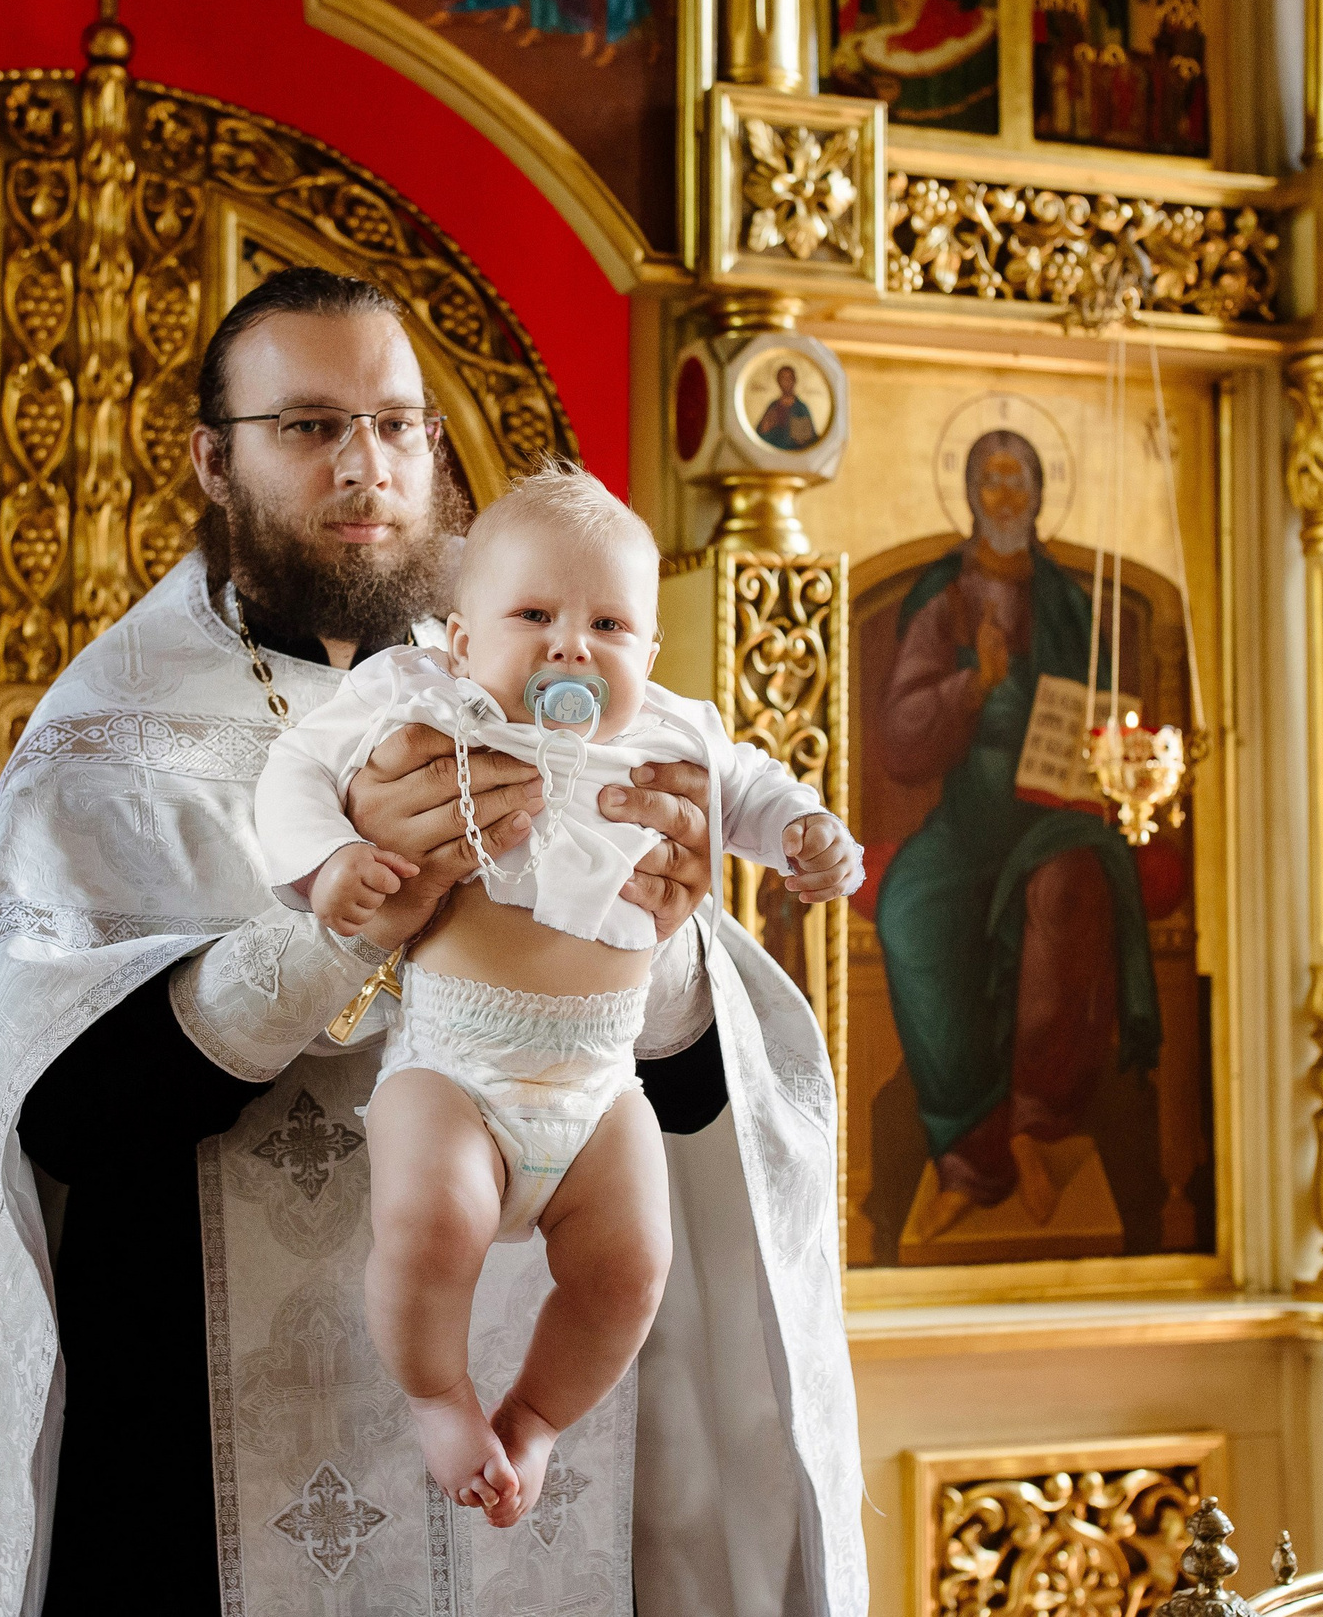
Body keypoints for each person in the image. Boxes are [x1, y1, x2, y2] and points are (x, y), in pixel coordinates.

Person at [0, 267, 863, 1616]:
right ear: (212, 460)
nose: (370, 465)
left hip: (542, 1483)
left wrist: (666, 924)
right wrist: (339, 930)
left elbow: (699, 1105)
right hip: (202, 1455)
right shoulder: (111, 739)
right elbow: (53, 1114)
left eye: (401, 424)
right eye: (310, 425)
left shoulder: (573, 690)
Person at [257, 468, 860, 1525]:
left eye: (609, 624)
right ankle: (440, 1396)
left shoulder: (670, 734)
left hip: (598, 1082)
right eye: (532, 615)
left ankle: (532, 1422)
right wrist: (328, 863)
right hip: (455, 1066)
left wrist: (804, 832)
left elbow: (753, 786)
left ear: (651, 656)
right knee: (430, 1221)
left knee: (631, 1271)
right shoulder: (424, 705)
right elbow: (295, 767)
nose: (571, 647)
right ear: (458, 638)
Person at [871, 429, 1160, 1247]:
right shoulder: (944, 596)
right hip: (970, 821)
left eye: (1019, 480)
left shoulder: (1070, 601)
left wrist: (1116, 751)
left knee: (1069, 889)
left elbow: (1114, 714)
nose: (1004, 496)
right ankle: (973, 1154)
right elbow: (897, 736)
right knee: (910, 911)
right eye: (989, 480)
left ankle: (1039, 1127)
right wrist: (971, 685)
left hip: (1061, 816)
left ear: (1038, 493)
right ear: (969, 492)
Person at [754, 364, 820, 450]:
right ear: (778, 381)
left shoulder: (800, 408)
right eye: (783, 379)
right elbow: (759, 436)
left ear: (794, 381)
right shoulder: (773, 406)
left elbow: (809, 441)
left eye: (790, 378)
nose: (787, 382)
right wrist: (764, 429)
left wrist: (802, 438)